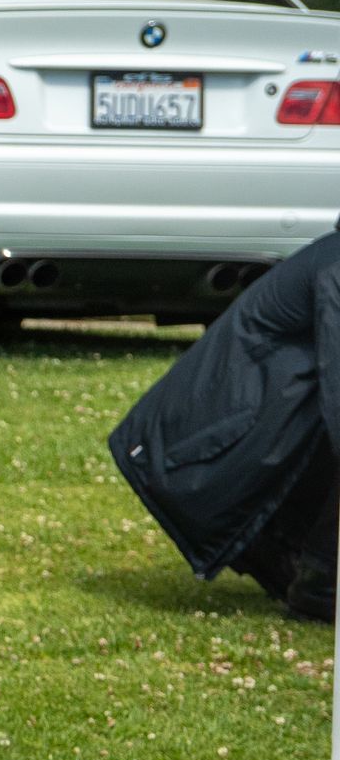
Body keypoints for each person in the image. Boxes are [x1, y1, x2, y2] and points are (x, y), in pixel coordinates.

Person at [110, 228, 340, 623]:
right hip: (207, 455)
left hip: (259, 454)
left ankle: (313, 570)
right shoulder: (336, 266)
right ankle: (319, 587)